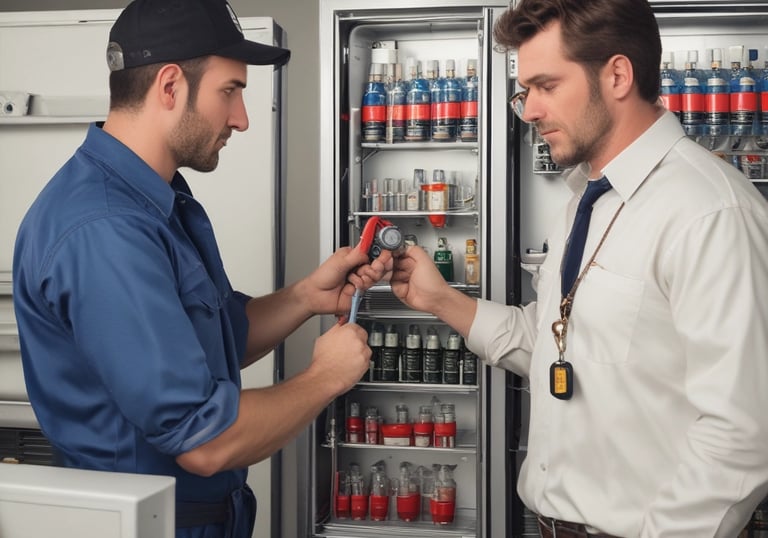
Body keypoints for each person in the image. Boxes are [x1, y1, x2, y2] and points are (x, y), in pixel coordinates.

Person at [390, 0, 768, 536]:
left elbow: (744, 434)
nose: (529, 110)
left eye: (547, 86)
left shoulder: (709, 211)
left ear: (617, 75)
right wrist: (440, 300)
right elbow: (558, 339)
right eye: (527, 92)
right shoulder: (586, 201)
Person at [12, 1, 389, 536]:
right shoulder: (106, 228)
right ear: (170, 86)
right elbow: (203, 442)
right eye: (229, 90)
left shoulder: (155, 201)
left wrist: (307, 297)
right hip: (146, 526)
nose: (241, 117)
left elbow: (216, 339)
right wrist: (325, 377)